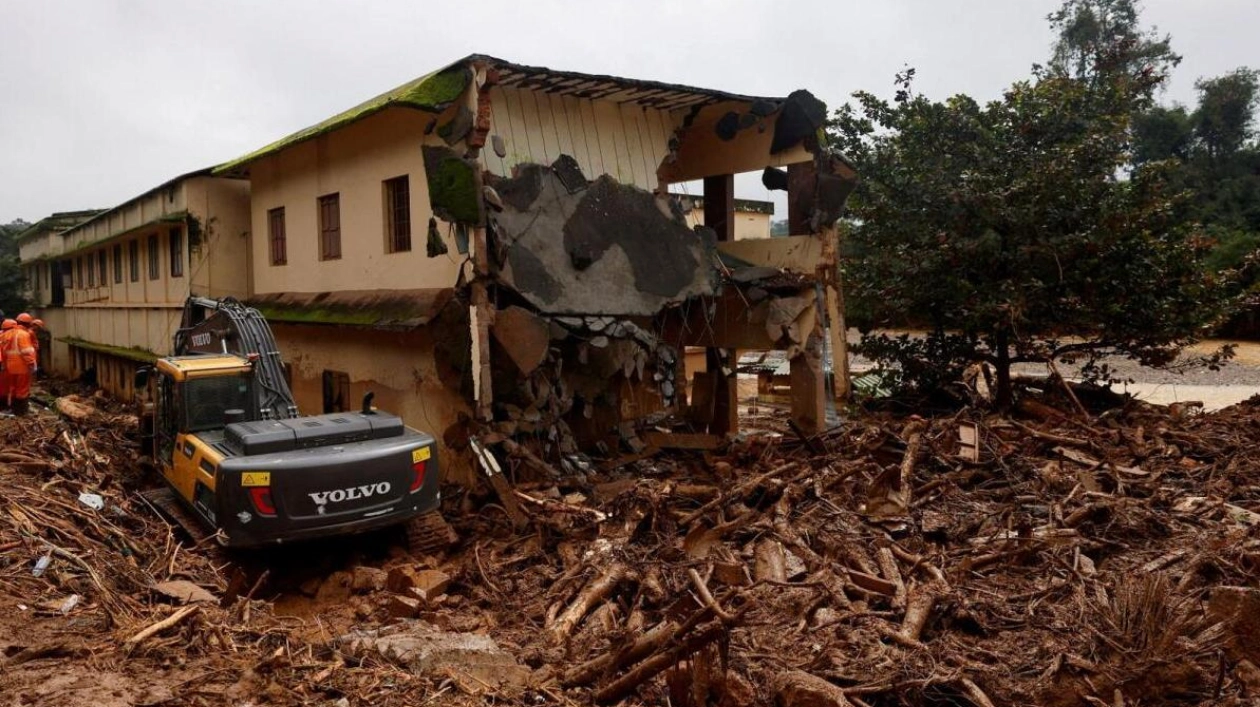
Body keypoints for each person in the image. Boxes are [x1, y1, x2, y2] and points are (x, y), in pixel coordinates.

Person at [2, 317, 38, 415]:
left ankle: (13, 409)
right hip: (22, 366)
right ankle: (21, 411)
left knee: (13, 388)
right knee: (22, 388)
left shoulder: (5, 334)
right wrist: (31, 364)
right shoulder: (23, 334)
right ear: (28, 324)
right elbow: (27, 351)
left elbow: (3, 352)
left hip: (10, 366)